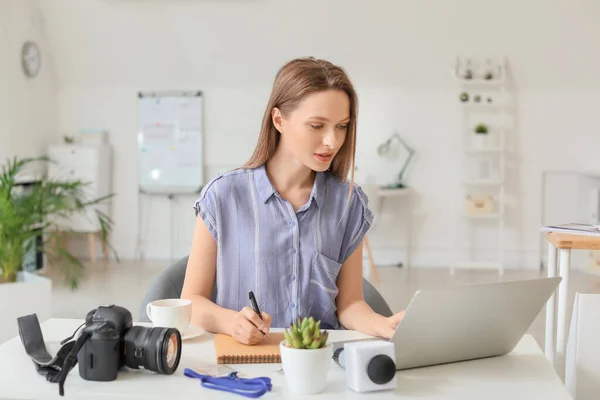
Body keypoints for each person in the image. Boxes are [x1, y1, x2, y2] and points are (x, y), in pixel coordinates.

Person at [181, 57, 405, 345]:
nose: (332, 141)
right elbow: (191, 300)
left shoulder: (348, 202)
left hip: (319, 360)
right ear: (279, 120)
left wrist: (383, 324)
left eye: (341, 126)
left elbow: (349, 304)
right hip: (245, 362)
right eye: (317, 126)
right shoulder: (223, 196)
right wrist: (232, 322)